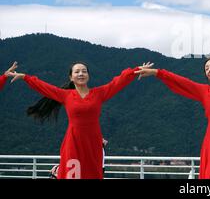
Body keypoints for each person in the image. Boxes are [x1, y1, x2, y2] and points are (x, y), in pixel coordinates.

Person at [8, 61, 151, 179]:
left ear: (88, 75)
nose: (81, 74)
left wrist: (136, 70)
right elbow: (44, 87)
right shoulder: (65, 95)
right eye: (77, 72)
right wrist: (24, 77)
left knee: (93, 174)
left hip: (93, 144)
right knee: (72, 175)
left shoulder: (99, 93)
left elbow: (118, 82)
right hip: (73, 143)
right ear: (71, 77)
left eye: (84, 71)